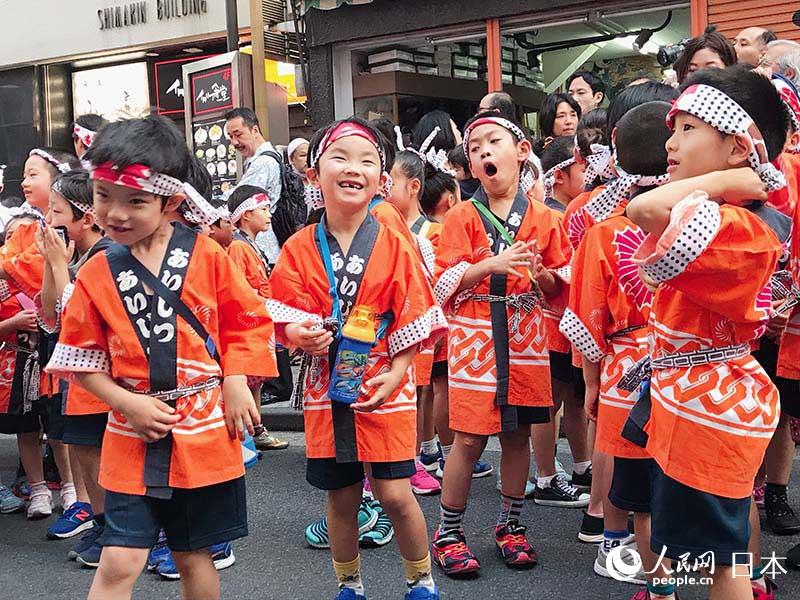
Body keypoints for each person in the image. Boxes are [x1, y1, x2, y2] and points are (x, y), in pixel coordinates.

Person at [45, 114, 278, 600]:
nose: (115, 213)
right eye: (104, 196)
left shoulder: (209, 256)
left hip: (202, 432)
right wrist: (128, 404)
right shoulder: (95, 272)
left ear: (170, 200)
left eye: (135, 201)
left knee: (194, 555)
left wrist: (236, 381)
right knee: (119, 558)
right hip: (131, 433)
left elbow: (246, 321)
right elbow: (81, 359)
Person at [626, 65, 790, 600]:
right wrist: (729, 181)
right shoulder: (721, 212)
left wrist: (733, 181)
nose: (669, 143)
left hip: (710, 409)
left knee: (724, 562)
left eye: (687, 129)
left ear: (739, 147)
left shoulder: (740, 226)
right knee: (708, 547)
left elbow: (644, 207)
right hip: (693, 401)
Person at [268, 116, 447, 600]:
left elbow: (415, 309)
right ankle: (349, 584)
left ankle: (422, 580)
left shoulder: (393, 243)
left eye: (367, 160)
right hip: (327, 385)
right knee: (342, 497)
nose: (354, 168)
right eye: (340, 157)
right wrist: (297, 333)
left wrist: (400, 372)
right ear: (314, 174)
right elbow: (281, 311)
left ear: (381, 180)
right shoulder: (299, 247)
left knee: (393, 492)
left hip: (382, 379)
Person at [432, 112, 571, 576]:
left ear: (522, 151)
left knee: (518, 436)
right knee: (469, 439)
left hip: (526, 335)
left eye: (494, 142)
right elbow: (441, 283)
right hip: (476, 337)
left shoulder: (546, 218)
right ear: (471, 167)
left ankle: (510, 525)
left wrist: (545, 275)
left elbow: (559, 283)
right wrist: (490, 264)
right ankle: (449, 532)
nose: (485, 152)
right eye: (475, 149)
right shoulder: (460, 216)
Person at [562, 101, 674, 598]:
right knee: (672, 465)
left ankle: (613, 542)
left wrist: (589, 382)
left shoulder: (604, 232)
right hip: (689, 361)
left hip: (624, 363)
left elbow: (587, 320)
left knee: (621, 452)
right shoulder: (702, 218)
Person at [35, 169, 114, 557]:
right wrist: (53, 263)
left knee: (96, 448)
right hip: (77, 374)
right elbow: (49, 314)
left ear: (85, 216)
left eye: (57, 211)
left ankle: (114, 528)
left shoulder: (106, 255)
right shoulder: (78, 256)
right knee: (83, 446)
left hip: (100, 377)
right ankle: (101, 524)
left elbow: (78, 313)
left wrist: (57, 265)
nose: (50, 221)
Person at [226, 184, 288, 452]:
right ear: (245, 214)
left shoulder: (250, 245)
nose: (268, 213)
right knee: (250, 379)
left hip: (259, 319)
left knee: (257, 380)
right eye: (262, 208)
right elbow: (239, 289)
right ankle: (249, 434)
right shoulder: (239, 249)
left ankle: (255, 430)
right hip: (249, 323)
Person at [224, 108, 282, 265]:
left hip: (261, 244)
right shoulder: (264, 158)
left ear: (255, 130)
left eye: (238, 134)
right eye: (230, 137)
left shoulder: (263, 163)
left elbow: (240, 198)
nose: (234, 142)